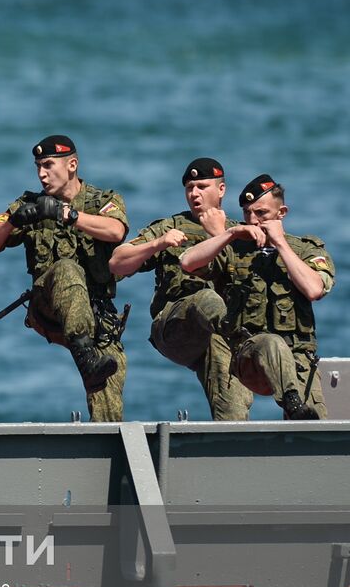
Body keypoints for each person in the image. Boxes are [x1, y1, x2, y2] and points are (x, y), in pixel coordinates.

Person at [0, 135, 129, 422]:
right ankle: (85, 353)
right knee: (67, 269)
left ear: (72, 164)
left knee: (108, 390)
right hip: (49, 307)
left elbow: (116, 231)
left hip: (96, 318)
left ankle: (106, 453)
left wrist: (67, 215)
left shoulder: (102, 200)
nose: (41, 174)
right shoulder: (30, 204)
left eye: (48, 165)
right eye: (37, 167)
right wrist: (13, 222)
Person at [178, 174, 334, 420]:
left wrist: (280, 243)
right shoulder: (236, 249)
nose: (253, 221)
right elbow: (187, 262)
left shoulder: (305, 250)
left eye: (261, 214)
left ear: (281, 212)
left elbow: (315, 289)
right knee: (271, 343)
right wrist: (228, 235)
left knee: (317, 428)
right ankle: (291, 402)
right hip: (249, 354)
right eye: (247, 213)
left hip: (298, 359)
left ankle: (297, 412)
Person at [108, 158, 253, 421]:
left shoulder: (239, 233)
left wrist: (219, 234)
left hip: (222, 334)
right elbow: (117, 263)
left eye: (202, 186)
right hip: (175, 327)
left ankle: (233, 436)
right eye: (190, 188)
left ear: (221, 190)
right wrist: (157, 244)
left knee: (225, 361)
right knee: (207, 300)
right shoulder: (171, 227)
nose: (194, 194)